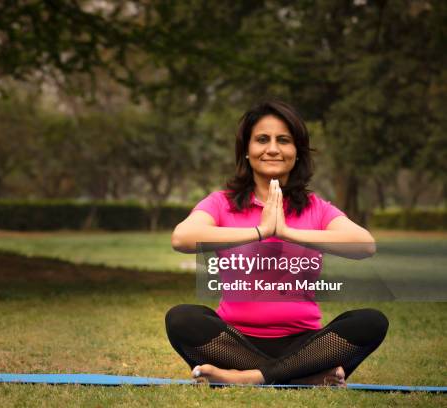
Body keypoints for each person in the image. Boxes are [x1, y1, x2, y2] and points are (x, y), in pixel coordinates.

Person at [165, 100, 388, 386]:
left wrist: (286, 232)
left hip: (304, 345)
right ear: (246, 151)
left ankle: (250, 378)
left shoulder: (316, 208)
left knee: (371, 321)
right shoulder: (220, 203)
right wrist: (260, 230)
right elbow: (182, 238)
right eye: (262, 139)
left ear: (297, 152)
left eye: (283, 140)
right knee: (182, 318)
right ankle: (305, 378)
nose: (272, 149)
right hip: (234, 342)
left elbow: (365, 245)